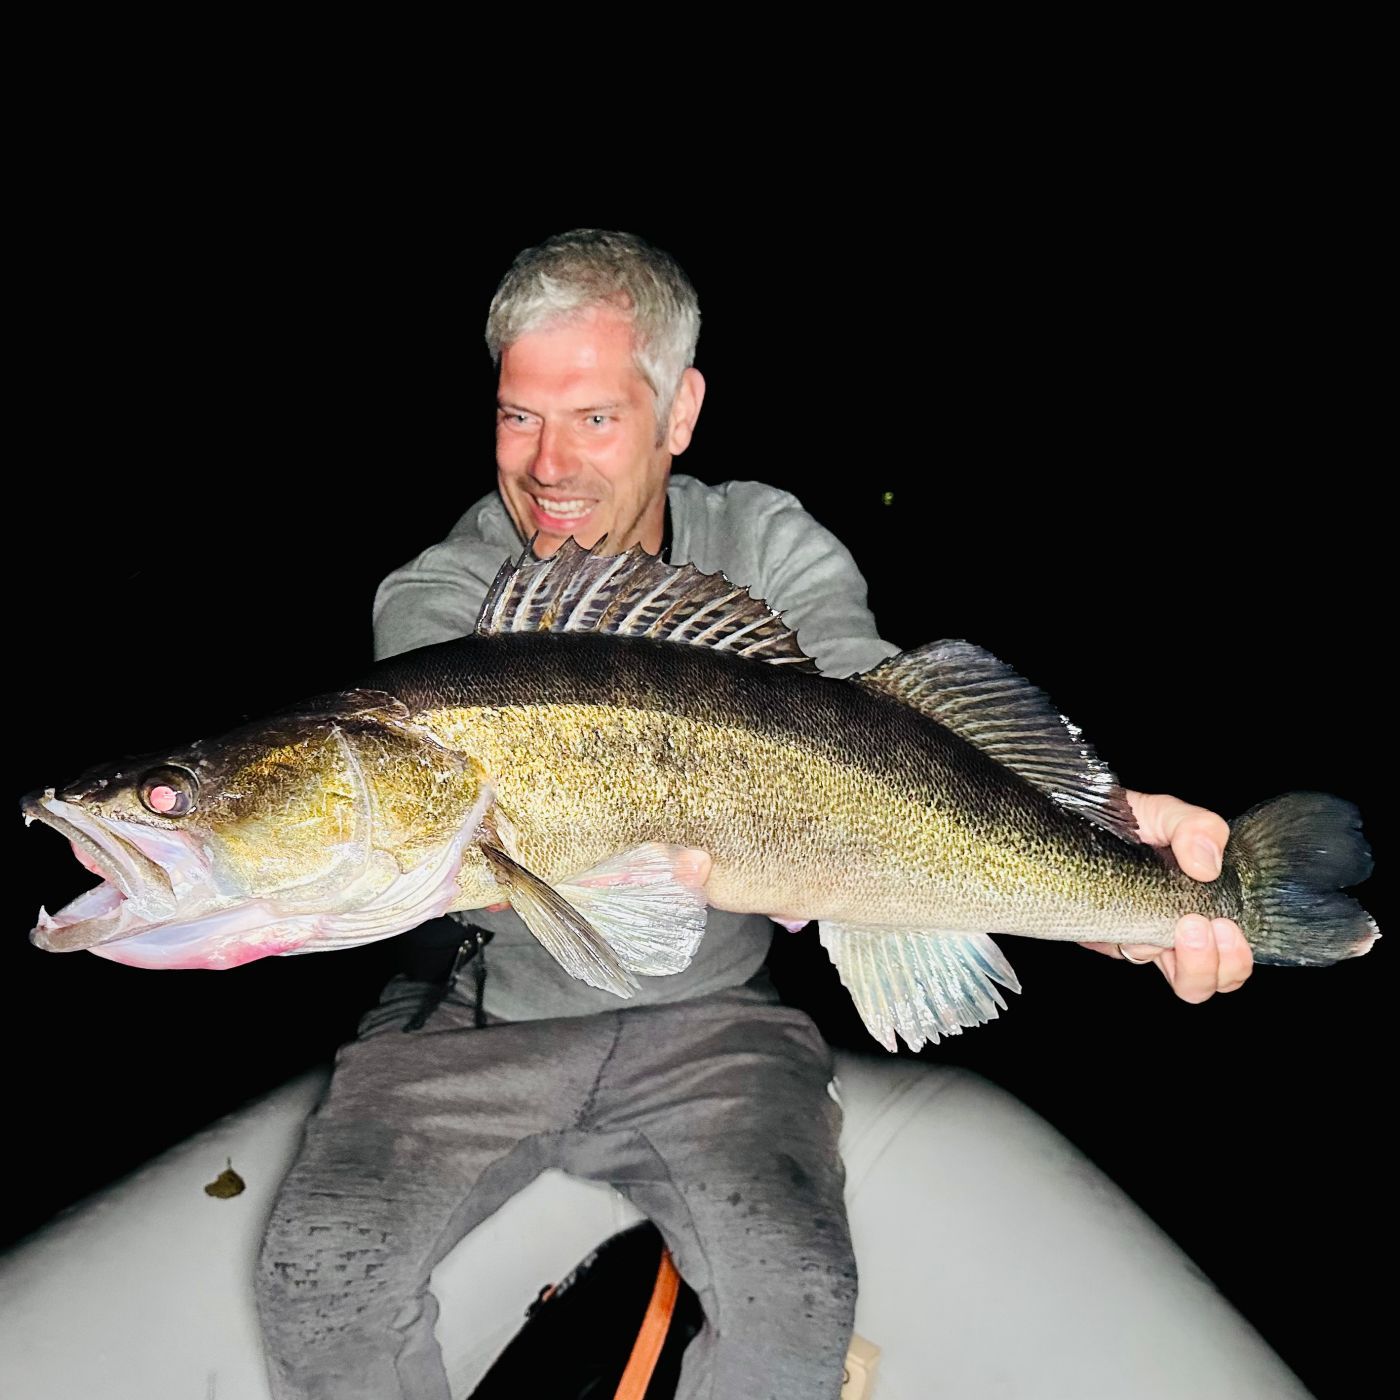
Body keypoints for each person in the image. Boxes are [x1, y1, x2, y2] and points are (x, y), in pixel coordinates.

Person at [255, 230, 1253, 1400]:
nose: (545, 465)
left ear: (679, 410)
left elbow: (877, 718)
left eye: (593, 417)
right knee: (315, 1284)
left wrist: (1107, 851)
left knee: (796, 1308)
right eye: (517, 415)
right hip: (480, 1011)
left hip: (713, 1019)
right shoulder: (440, 599)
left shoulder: (766, 539)